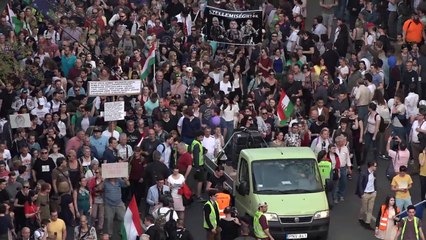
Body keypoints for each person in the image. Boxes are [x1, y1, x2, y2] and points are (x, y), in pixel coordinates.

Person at [356, 161, 377, 230]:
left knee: (370, 209)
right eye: (375, 166)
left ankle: (367, 223)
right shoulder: (363, 173)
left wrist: (375, 191)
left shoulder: (374, 173)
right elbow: (360, 183)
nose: (376, 167)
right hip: (366, 194)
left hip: (372, 193)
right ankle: (360, 217)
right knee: (364, 209)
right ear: (371, 166)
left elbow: (374, 182)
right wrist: (362, 194)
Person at [191, 130, 206, 200]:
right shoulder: (197, 145)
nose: (202, 138)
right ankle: (198, 195)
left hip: (195, 165)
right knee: (200, 180)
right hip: (198, 165)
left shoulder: (195, 143)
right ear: (197, 137)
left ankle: (194, 192)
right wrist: (197, 168)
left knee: (195, 180)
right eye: (201, 137)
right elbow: (196, 156)